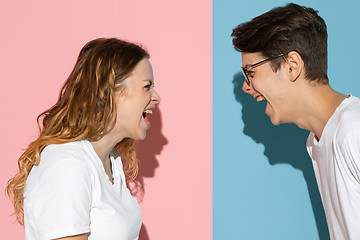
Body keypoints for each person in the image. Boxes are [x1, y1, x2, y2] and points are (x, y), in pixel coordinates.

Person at [6, 38, 160, 240]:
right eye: (147, 86)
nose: (156, 97)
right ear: (110, 92)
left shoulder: (111, 160)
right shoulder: (68, 165)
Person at [231, 3, 360, 240]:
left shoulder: (354, 130)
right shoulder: (316, 141)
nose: (246, 87)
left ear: (292, 66)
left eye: (251, 72)